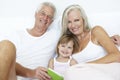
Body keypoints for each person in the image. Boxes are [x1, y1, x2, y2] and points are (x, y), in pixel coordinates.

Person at [0, 2, 61, 80]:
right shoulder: (17, 35)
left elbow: (71, 23)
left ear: (52, 21)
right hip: (12, 77)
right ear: (36, 14)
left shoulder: (54, 36)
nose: (45, 18)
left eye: (49, 16)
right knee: (6, 46)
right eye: (43, 13)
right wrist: (32, 73)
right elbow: (4, 62)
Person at [60, 4, 120, 80]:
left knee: (71, 72)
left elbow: (117, 56)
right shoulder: (68, 45)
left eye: (76, 20)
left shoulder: (96, 31)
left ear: (83, 20)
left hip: (109, 71)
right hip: (87, 76)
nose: (73, 25)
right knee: (69, 73)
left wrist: (85, 65)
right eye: (69, 22)